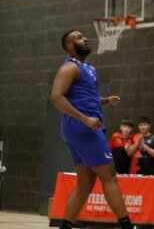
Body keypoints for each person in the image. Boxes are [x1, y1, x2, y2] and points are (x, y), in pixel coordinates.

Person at [50, 30, 136, 229]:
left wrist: (105, 101)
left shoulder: (88, 68)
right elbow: (56, 97)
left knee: (85, 184)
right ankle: (127, 226)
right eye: (79, 37)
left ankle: (65, 226)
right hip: (82, 127)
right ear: (70, 46)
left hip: (78, 127)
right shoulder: (70, 67)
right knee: (110, 176)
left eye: (84, 36)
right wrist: (85, 119)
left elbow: (85, 99)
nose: (85, 38)